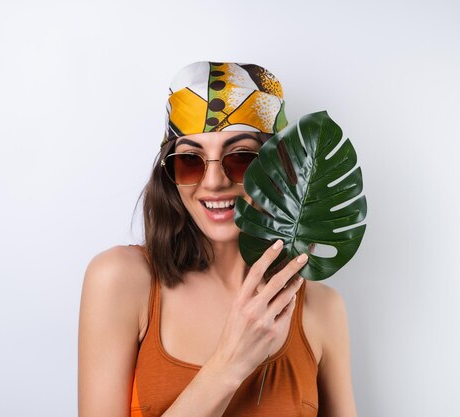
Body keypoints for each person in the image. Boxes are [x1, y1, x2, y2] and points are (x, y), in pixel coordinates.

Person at [78, 61, 357, 416]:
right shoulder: (120, 280)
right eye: (190, 161)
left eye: (240, 158)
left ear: (279, 168)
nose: (212, 182)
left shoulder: (322, 309)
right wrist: (230, 364)